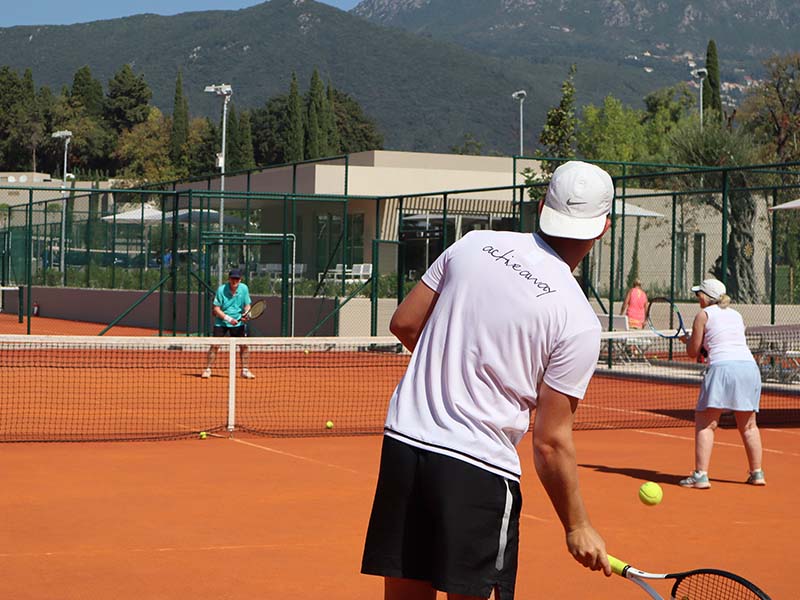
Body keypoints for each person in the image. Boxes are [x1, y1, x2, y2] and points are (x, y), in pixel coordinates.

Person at [361, 161, 615, 600]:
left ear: (541, 206)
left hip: (405, 445)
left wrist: (455, 364)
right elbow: (551, 441)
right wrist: (578, 526)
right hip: (478, 468)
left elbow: (404, 323)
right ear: (603, 228)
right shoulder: (578, 320)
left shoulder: (474, 244)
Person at [678, 278, 765, 489]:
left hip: (722, 368)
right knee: (749, 425)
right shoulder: (737, 315)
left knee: (706, 423)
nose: (698, 298)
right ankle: (757, 473)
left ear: (706, 298)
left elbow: (692, 352)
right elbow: (726, 341)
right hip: (748, 368)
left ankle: (700, 475)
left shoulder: (703, 315)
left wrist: (687, 341)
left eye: (699, 295)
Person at [201, 268, 256, 379]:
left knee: (244, 346)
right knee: (215, 346)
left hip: (238, 323)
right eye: (232, 278)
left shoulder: (244, 289)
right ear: (229, 279)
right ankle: (208, 369)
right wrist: (228, 319)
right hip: (221, 322)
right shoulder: (221, 290)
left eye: (237, 278)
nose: (234, 281)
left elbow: (247, 305)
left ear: (240, 280)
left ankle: (245, 370)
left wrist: (246, 313)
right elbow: (216, 309)